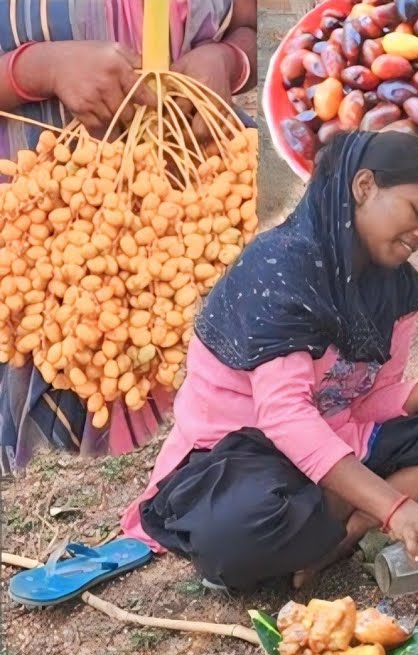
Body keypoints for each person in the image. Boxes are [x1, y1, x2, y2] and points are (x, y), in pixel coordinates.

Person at [120, 131, 418, 591]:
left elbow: (370, 401)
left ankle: (351, 523)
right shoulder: (279, 269)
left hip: (341, 438)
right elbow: (285, 417)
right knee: (235, 534)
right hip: (242, 456)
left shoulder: (391, 289)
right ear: (364, 187)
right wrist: (397, 510)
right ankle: (374, 498)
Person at [0, 0, 257, 470]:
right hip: (41, 242)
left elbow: (244, 27)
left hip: (186, 215)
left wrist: (226, 61)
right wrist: (38, 69)